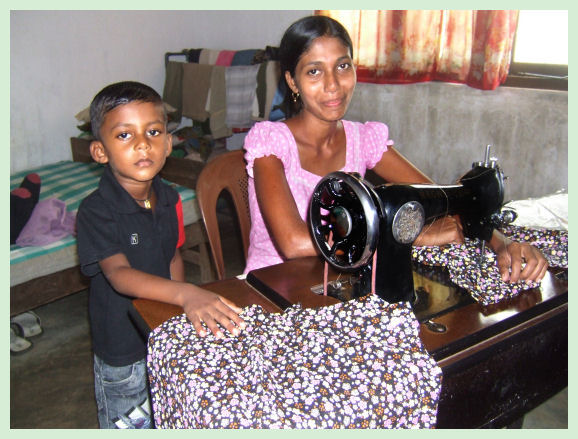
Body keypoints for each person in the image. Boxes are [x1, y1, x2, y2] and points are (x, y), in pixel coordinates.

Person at [243, 15, 548, 284]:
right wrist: (408, 234)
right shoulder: (271, 144)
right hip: (276, 285)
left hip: (342, 281)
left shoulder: (363, 140)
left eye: (343, 66)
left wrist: (502, 243)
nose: (333, 84)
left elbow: (443, 202)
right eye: (314, 71)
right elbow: (294, 243)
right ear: (292, 81)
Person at [76, 81, 245, 429]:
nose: (143, 144)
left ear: (168, 143)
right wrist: (186, 294)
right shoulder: (96, 211)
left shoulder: (168, 198)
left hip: (160, 333)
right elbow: (119, 274)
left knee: (166, 412)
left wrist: (176, 314)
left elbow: (172, 257)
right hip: (122, 349)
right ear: (100, 151)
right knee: (128, 424)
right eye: (124, 135)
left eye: (153, 132)